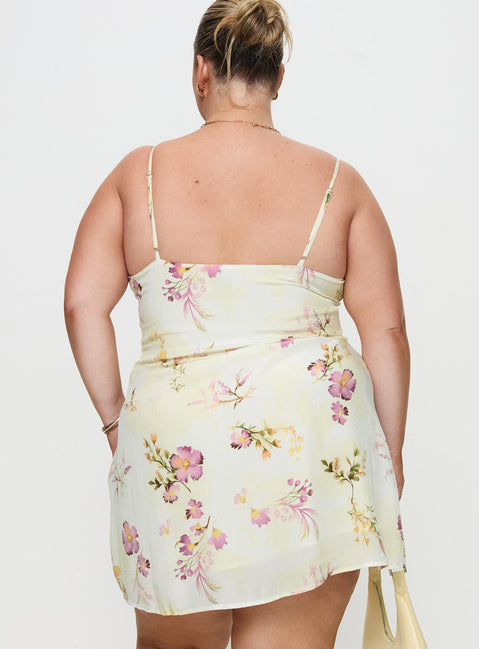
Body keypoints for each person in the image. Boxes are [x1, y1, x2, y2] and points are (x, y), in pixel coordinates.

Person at [64, 1, 409, 647]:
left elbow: (82, 304)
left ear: (201, 71)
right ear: (277, 77)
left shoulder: (138, 175)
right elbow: (385, 332)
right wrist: (388, 457)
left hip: (176, 447)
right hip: (310, 444)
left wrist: (116, 423)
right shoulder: (340, 183)